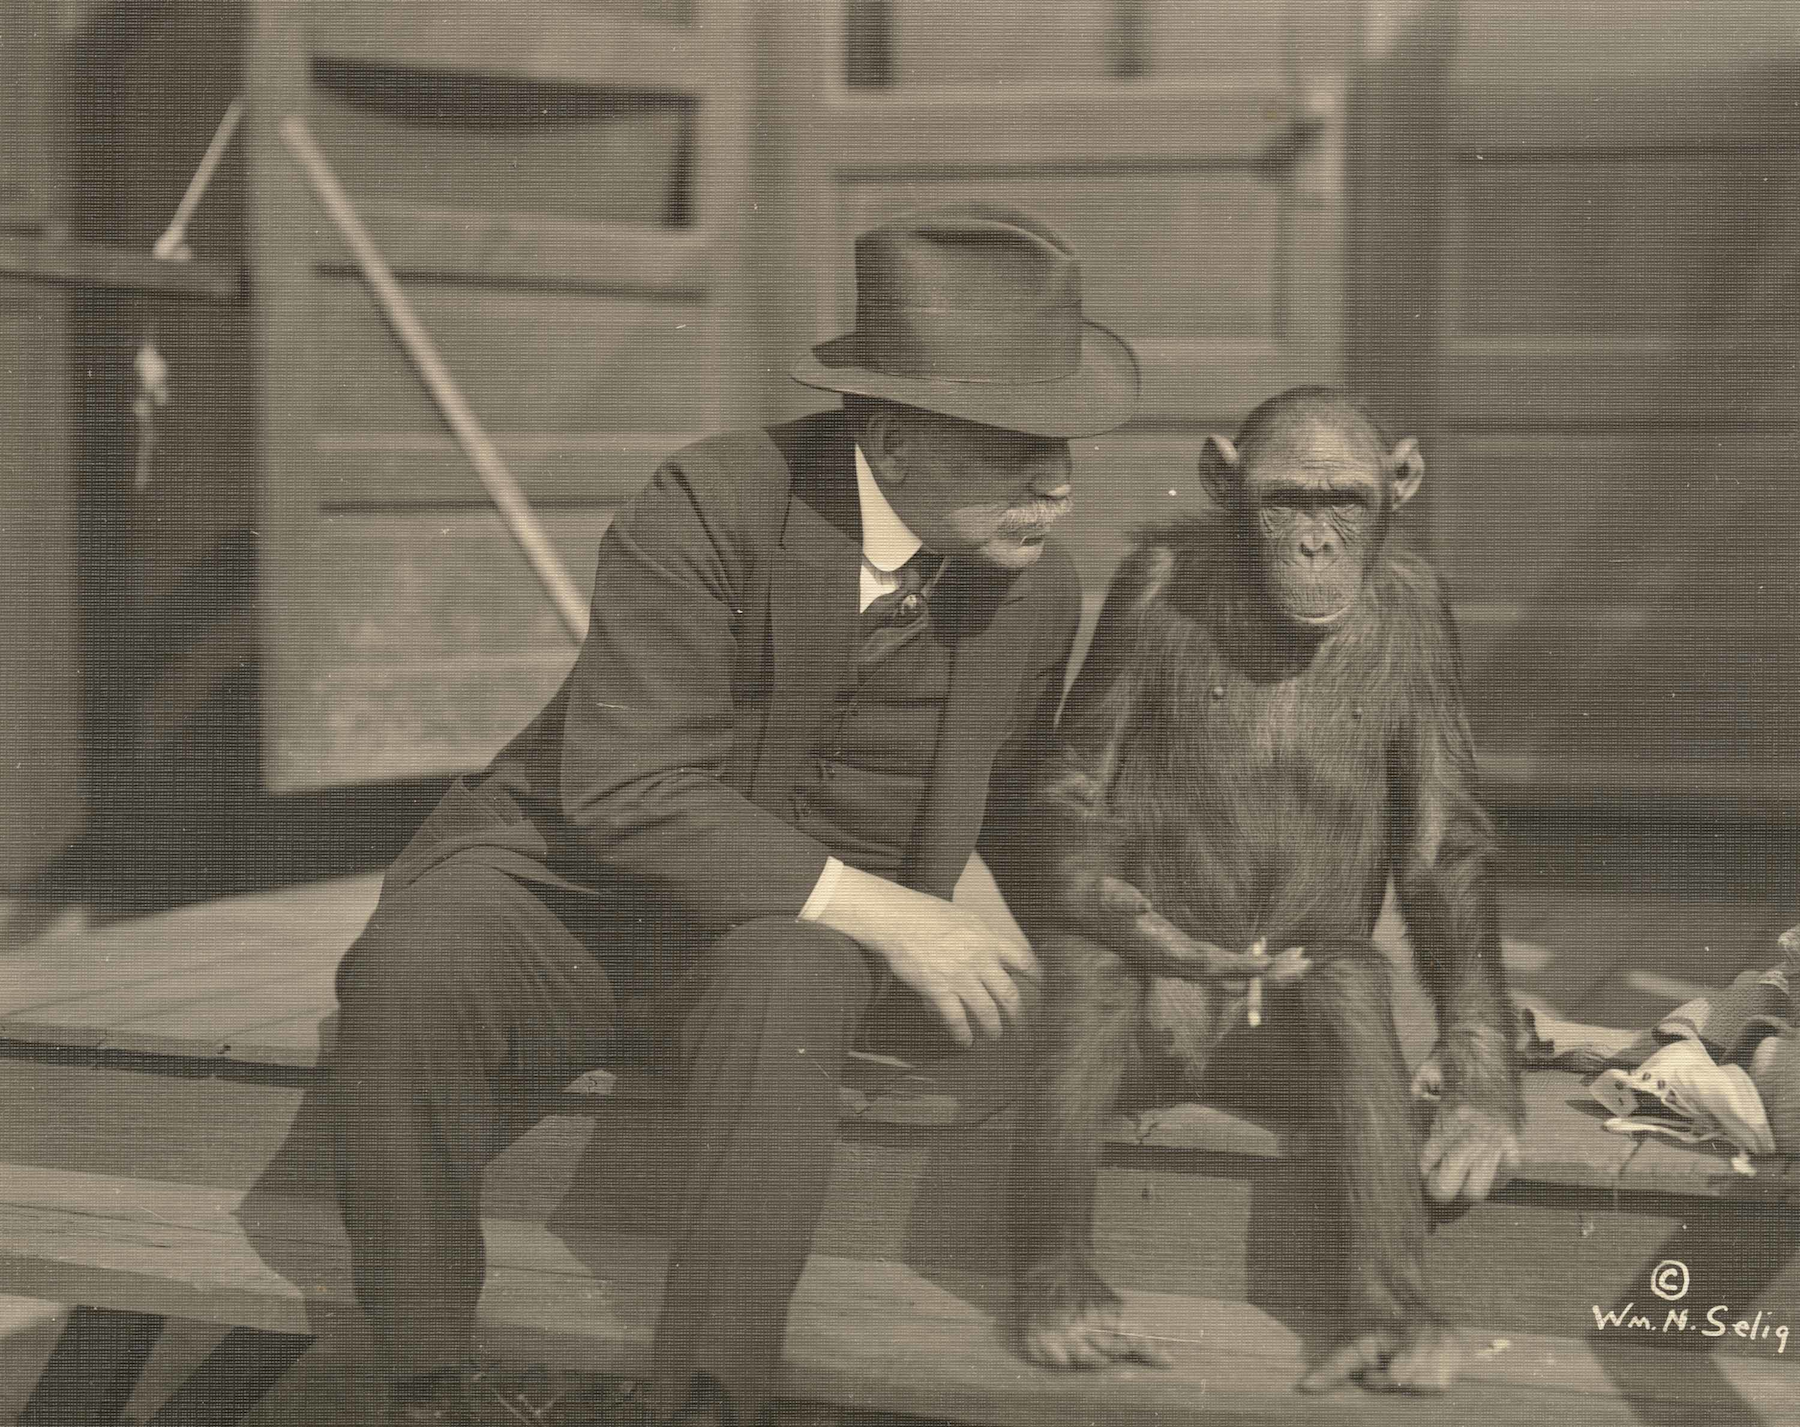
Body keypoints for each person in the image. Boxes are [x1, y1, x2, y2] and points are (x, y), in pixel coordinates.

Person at [325, 203, 1141, 1426]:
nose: (1060, 482)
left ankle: (708, 1399)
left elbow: (1013, 809)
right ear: (893, 437)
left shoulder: (1035, 594)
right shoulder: (712, 501)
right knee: (410, 960)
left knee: (790, 978)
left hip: (778, 945)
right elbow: (627, 789)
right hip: (573, 890)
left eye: (1065, 443)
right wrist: (901, 915)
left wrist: (1127, 936)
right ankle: (427, 1382)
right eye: (1020, 445)